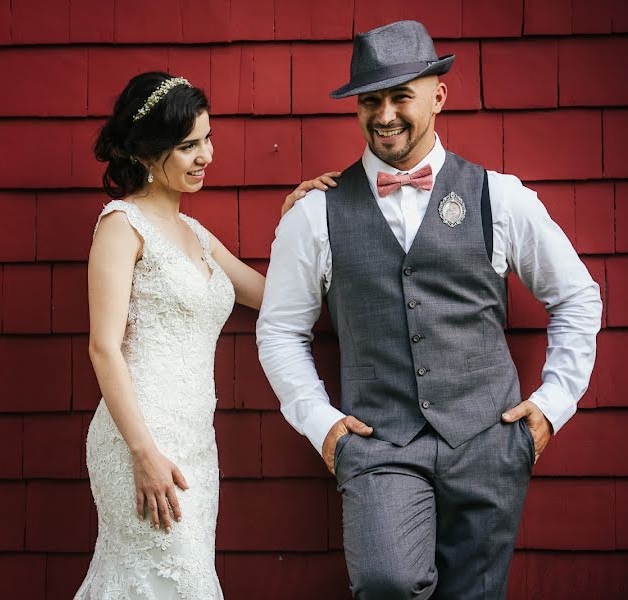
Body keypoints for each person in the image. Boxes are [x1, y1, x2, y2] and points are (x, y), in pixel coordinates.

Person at [257, 20, 602, 599]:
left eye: (400, 97)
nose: (385, 114)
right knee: (386, 581)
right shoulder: (314, 213)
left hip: (490, 441)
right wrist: (323, 426)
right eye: (371, 100)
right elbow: (280, 331)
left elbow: (576, 297)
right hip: (378, 443)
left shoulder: (502, 197)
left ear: (438, 96)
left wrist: (552, 405)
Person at [75, 71, 337, 599]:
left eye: (207, 139)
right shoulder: (120, 226)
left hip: (197, 445)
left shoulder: (194, 234)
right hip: (140, 442)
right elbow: (103, 347)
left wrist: (296, 225)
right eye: (188, 145)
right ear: (148, 153)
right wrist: (143, 453)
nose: (206, 156)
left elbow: (276, 299)